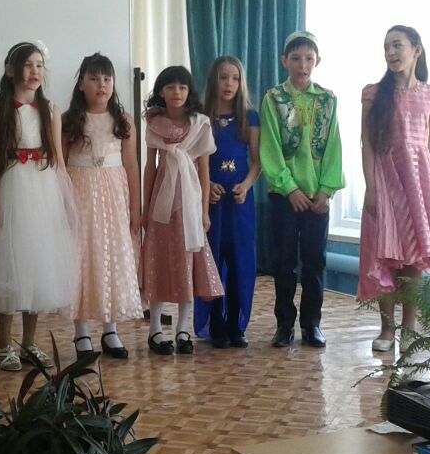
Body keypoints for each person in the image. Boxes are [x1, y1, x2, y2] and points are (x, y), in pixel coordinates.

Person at [359, 25, 430, 351]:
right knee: (386, 253)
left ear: (416, 50)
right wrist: (371, 187)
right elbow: (367, 144)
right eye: (386, 47)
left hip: (419, 182)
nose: (391, 52)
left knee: (414, 259)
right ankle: (386, 330)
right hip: (385, 179)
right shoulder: (373, 93)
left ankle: (409, 329)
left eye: (397, 45)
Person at [0, 41, 78, 371]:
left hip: (43, 189)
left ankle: (29, 342)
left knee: (38, 266)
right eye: (28, 65)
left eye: (39, 65)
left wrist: (66, 202)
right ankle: (4, 344)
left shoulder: (50, 110)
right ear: (11, 71)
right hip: (13, 189)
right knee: (12, 266)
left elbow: (58, 160)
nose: (35, 71)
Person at [259, 31, 345, 349]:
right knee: (284, 263)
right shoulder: (273, 99)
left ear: (317, 61)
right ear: (285, 61)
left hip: (317, 198)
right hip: (285, 197)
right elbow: (269, 148)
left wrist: (326, 190)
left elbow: (334, 147)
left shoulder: (328, 100)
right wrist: (289, 188)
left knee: (315, 262)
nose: (302, 65)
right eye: (296, 58)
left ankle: (312, 324)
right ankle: (284, 325)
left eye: (309, 58)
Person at [61, 53, 142, 359]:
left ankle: (111, 330)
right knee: (82, 258)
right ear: (81, 83)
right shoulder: (68, 120)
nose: (101, 85)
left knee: (112, 256)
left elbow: (131, 165)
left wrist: (135, 208)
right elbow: (60, 163)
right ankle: (81, 332)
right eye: (94, 79)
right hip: (80, 192)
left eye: (107, 79)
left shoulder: (123, 120)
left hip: (113, 194)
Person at [141, 66, 224, 356]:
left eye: (182, 87)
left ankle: (183, 328)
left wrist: (204, 212)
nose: (176, 92)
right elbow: (150, 167)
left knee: (187, 262)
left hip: (189, 203)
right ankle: (155, 329)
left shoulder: (201, 124)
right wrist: (145, 208)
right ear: (161, 92)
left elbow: (204, 172)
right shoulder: (153, 123)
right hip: (161, 206)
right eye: (170, 87)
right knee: (158, 260)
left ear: (190, 92)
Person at [194, 56, 260, 349]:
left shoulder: (250, 117)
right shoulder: (201, 117)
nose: (229, 84)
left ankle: (236, 322)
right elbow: (194, 159)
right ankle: (215, 322)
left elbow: (256, 162)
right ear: (214, 81)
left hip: (240, 200)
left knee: (239, 260)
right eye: (223, 77)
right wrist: (206, 186)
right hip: (211, 201)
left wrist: (246, 186)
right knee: (212, 258)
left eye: (234, 78)